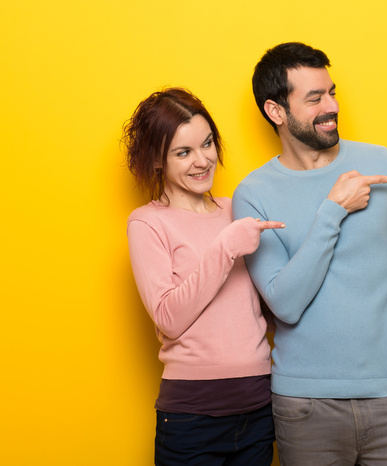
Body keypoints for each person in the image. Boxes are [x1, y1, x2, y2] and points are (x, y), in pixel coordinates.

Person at [233, 42, 387, 465]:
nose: (331, 106)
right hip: (305, 408)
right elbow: (285, 304)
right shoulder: (253, 195)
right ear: (276, 111)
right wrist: (333, 210)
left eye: (331, 92)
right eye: (314, 98)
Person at [123, 87, 284, 465]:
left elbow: (270, 305)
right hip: (191, 418)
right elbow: (169, 318)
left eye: (207, 144)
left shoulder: (238, 210)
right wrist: (225, 247)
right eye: (184, 152)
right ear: (157, 161)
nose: (203, 160)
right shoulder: (147, 223)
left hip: (259, 408)